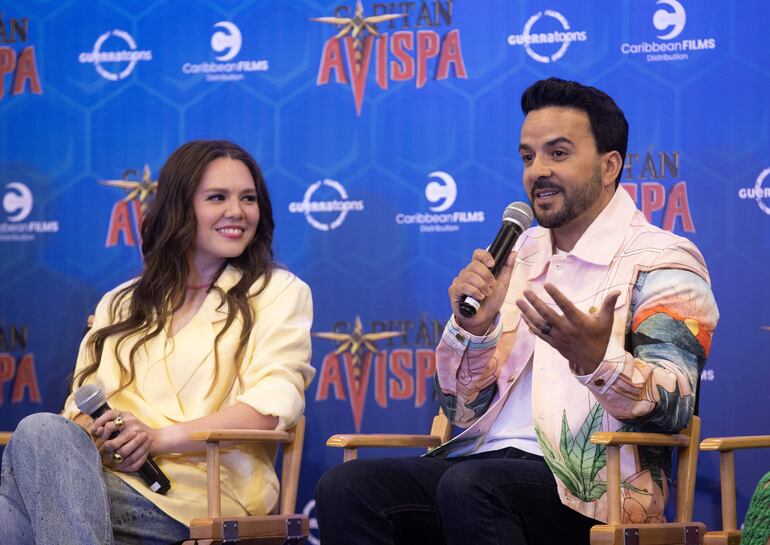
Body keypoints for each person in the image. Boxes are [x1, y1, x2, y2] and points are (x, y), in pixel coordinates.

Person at [315, 78, 719, 545]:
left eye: (558, 154)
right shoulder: (517, 254)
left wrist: (596, 362)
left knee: (471, 487)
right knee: (348, 488)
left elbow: (676, 404)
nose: (537, 171)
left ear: (610, 167)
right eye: (528, 157)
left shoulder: (665, 259)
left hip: (593, 490)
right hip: (481, 465)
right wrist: (475, 329)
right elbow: (460, 410)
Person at [0, 140, 315, 545]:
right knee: (46, 437)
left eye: (248, 198)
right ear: (179, 207)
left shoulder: (278, 291)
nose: (237, 211)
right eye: (217, 197)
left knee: (25, 481)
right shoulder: (120, 301)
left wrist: (157, 437)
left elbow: (271, 409)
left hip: (207, 497)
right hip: (105, 478)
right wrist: (110, 440)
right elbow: (79, 411)